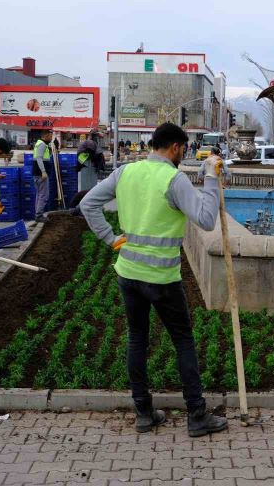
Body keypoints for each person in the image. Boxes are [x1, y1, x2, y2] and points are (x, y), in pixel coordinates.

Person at [80, 123, 228, 437]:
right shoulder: (173, 179)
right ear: (175, 147)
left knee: (137, 339)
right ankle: (197, 415)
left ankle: (144, 413)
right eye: (183, 150)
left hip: (129, 273)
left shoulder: (125, 172)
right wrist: (211, 177)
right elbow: (205, 219)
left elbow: (87, 203)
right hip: (161, 278)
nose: (183, 155)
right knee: (183, 341)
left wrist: (110, 239)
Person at [32, 132, 53, 223]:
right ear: (45, 136)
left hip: (37, 173)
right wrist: (43, 172)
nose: (51, 138)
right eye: (50, 136)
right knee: (44, 195)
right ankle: (39, 215)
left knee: (40, 194)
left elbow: (44, 157)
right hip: (41, 174)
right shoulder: (42, 145)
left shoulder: (40, 144)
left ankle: (38, 214)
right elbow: (39, 158)